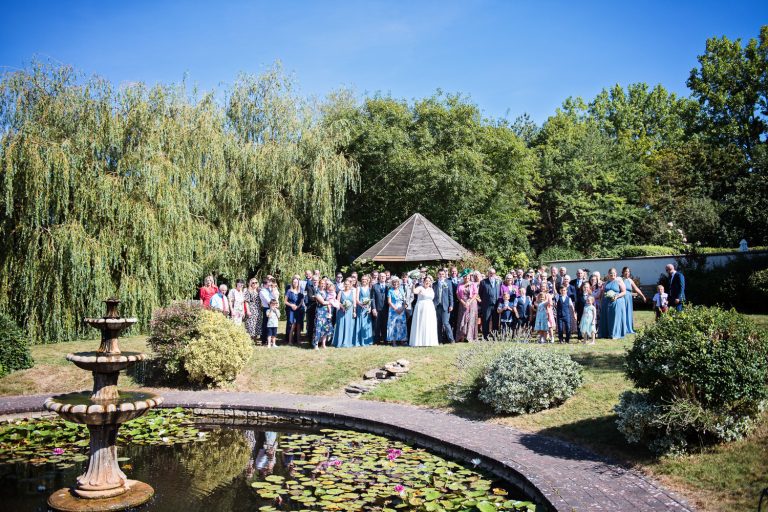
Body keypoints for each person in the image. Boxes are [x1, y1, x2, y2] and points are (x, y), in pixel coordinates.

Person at [598, 268, 628, 339]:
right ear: (608, 274)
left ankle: (614, 334)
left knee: (614, 318)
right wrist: (602, 299)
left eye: (614, 273)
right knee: (606, 318)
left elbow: (624, 292)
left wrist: (617, 296)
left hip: (616, 302)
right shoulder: (606, 283)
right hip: (606, 303)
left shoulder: (619, 281)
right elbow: (603, 292)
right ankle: (605, 334)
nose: (612, 275)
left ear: (616, 274)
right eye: (611, 273)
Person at [410, 275, 439, 347]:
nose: (427, 282)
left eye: (429, 281)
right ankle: (420, 342)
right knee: (421, 323)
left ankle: (429, 342)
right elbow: (414, 291)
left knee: (429, 324)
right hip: (421, 308)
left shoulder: (431, 289)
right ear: (423, 281)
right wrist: (413, 284)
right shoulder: (420, 287)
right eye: (426, 281)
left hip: (430, 308)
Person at [621, 267, 646, 334]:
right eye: (626, 271)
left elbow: (636, 289)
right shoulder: (620, 280)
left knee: (628, 313)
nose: (627, 273)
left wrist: (642, 296)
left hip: (629, 299)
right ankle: (623, 328)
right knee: (622, 313)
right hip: (622, 298)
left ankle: (629, 328)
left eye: (628, 272)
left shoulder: (630, 280)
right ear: (623, 272)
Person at [456, 271, 479, 342]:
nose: (467, 277)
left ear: (470, 277)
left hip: (472, 304)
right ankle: (462, 337)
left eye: (468, 276)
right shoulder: (460, 285)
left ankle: (470, 337)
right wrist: (463, 302)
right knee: (462, 319)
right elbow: (457, 294)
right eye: (465, 276)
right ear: (463, 277)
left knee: (471, 319)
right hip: (463, 304)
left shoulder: (473, 284)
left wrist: (469, 302)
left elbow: (475, 294)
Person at [433, 270, 455, 343]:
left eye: (443, 274)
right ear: (437, 275)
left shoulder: (448, 283)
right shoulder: (434, 284)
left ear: (445, 275)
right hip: (437, 306)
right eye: (440, 274)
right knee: (438, 323)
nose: (441, 275)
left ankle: (451, 339)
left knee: (446, 323)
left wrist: (451, 305)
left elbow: (451, 295)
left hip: (446, 306)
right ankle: (439, 340)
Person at [332, 278, 356, 348]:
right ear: (344, 285)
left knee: (349, 326)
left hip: (350, 311)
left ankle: (348, 341)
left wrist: (354, 311)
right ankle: (340, 341)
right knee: (341, 325)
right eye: (345, 284)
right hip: (341, 311)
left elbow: (354, 302)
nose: (347, 285)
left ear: (350, 285)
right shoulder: (340, 292)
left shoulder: (352, 292)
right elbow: (337, 301)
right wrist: (342, 306)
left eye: (348, 284)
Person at [479, 268, 501, 338]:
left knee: (495, 321)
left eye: (493, 273)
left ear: (495, 274)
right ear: (488, 273)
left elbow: (500, 292)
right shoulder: (483, 282)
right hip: (486, 305)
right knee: (486, 320)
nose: (492, 274)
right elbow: (480, 293)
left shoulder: (499, 282)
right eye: (490, 273)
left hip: (496, 305)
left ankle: (495, 335)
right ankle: (485, 336)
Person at [313, 281, 335, 349]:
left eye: (324, 284)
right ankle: (315, 344)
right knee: (318, 328)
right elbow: (322, 302)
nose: (323, 285)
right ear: (319, 284)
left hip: (326, 312)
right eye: (321, 284)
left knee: (326, 328)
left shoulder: (326, 291)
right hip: (320, 312)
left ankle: (323, 344)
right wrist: (331, 302)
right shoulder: (317, 292)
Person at [387, 277, 408, 346]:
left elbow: (405, 300)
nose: (395, 284)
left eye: (397, 282)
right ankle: (394, 342)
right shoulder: (390, 291)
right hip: (393, 309)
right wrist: (396, 309)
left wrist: (402, 308)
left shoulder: (402, 290)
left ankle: (402, 340)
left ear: (399, 283)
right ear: (392, 284)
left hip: (401, 308)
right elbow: (389, 302)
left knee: (401, 324)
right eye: (394, 283)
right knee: (393, 325)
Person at [354, 275, 374, 346]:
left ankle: (367, 340)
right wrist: (361, 304)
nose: (364, 281)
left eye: (365, 279)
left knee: (367, 324)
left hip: (367, 308)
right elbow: (356, 299)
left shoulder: (370, 288)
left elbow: (371, 299)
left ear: (367, 280)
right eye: (362, 279)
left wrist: (370, 308)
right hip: (360, 308)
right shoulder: (358, 288)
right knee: (361, 323)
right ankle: (359, 340)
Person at [284, 277, 305, 345]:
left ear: (298, 283)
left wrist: (298, 306)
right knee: (292, 325)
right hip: (292, 310)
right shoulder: (289, 291)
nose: (295, 283)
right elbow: (285, 301)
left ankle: (298, 341)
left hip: (298, 309)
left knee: (298, 325)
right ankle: (290, 341)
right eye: (294, 282)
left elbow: (302, 300)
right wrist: (292, 305)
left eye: (296, 282)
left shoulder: (301, 290)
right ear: (292, 282)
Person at [371, 273, 389, 344]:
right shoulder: (374, 286)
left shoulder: (388, 286)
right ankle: (377, 341)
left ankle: (385, 340)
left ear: (386, 277)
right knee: (377, 325)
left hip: (386, 308)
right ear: (378, 277)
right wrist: (373, 308)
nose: (382, 277)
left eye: (384, 276)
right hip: (377, 308)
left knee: (385, 325)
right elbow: (372, 298)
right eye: (381, 276)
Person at [244, 278, 263, 343]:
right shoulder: (248, 291)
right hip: (251, 309)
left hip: (258, 310)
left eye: (256, 282)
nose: (255, 284)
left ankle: (255, 340)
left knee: (257, 324)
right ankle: (249, 340)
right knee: (250, 325)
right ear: (250, 284)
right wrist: (248, 311)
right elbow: (246, 302)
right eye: (253, 283)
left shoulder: (259, 291)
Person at [305, 276, 319, 342]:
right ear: (312, 281)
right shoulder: (309, 287)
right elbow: (310, 297)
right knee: (311, 325)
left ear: (318, 280)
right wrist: (318, 298)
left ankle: (318, 340)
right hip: (311, 308)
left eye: (316, 280)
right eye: (314, 280)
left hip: (319, 308)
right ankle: (310, 340)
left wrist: (315, 297)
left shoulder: (320, 287)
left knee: (318, 325)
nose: (315, 281)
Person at [259, 278, 273, 344]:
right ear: (265, 284)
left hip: (271, 307)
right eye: (269, 283)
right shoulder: (262, 291)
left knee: (270, 324)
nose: (270, 284)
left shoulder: (269, 290)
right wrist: (274, 303)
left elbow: (273, 297)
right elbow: (268, 300)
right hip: (266, 308)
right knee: (265, 324)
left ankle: (269, 339)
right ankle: (264, 340)